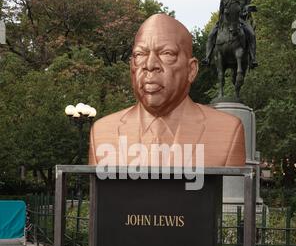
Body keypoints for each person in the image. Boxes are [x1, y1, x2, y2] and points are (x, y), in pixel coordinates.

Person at [89, 13, 245, 167]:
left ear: (191, 70)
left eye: (167, 53)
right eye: (140, 54)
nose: (150, 65)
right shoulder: (102, 133)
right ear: (132, 67)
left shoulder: (228, 131)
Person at [202, 0, 258, 68]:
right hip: (225, 20)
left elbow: (247, 6)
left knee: (252, 34)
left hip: (240, 20)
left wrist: (249, 8)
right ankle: (207, 57)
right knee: (211, 35)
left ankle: (253, 59)